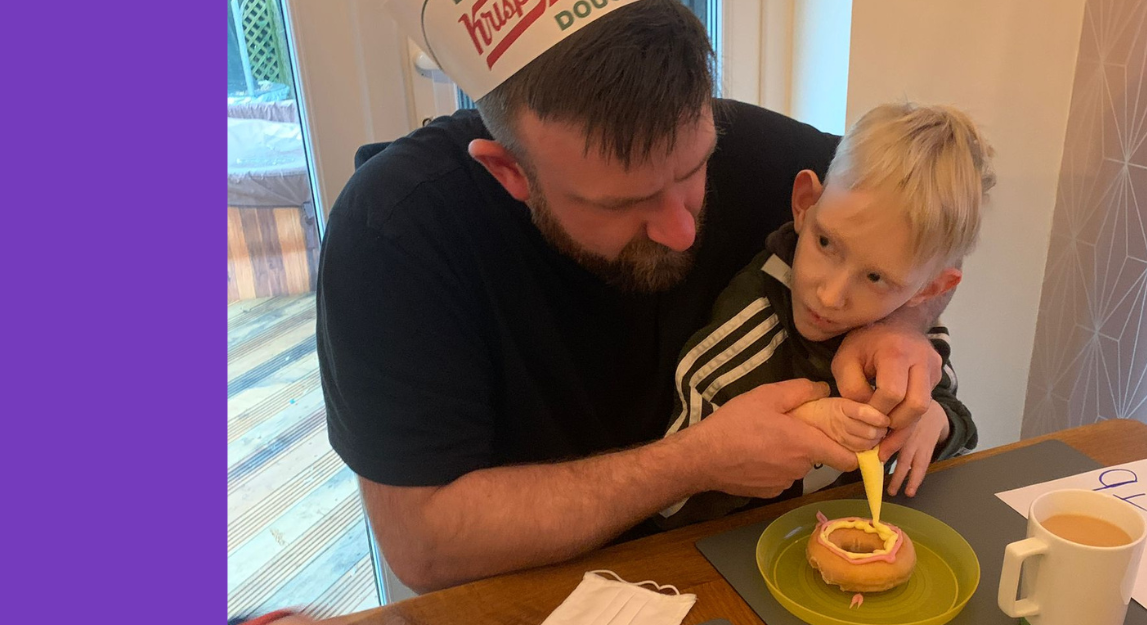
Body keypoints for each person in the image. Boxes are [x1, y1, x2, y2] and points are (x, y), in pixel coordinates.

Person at [318, 0, 957, 593]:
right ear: (510, 172)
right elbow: (426, 545)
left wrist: (902, 323)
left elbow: (934, 235)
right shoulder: (395, 231)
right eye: (622, 203)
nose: (681, 229)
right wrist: (695, 462)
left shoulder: (758, 149)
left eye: (693, 168)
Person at [657, 103, 995, 528]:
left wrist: (936, 422)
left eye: (875, 277)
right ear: (804, 204)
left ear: (927, 290)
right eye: (826, 243)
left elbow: (953, 407)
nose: (831, 297)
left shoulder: (905, 340)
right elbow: (671, 507)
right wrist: (793, 432)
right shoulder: (743, 341)